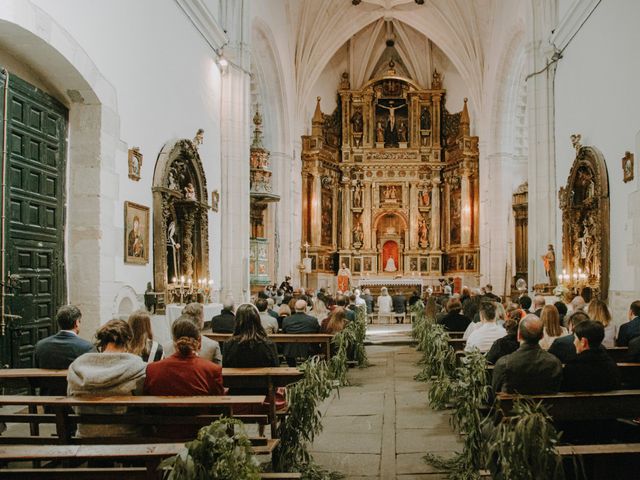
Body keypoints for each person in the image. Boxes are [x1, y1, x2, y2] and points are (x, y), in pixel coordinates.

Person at [144, 318, 224, 438]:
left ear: (174, 342)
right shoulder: (212, 370)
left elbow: (147, 405)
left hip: (164, 433)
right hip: (200, 435)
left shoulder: (152, 369)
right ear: (199, 341)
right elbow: (218, 406)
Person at [67, 319, 146, 438]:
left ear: (102, 341)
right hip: (126, 435)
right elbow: (142, 404)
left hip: (86, 435)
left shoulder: (78, 366)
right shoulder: (137, 366)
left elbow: (72, 401)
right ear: (127, 341)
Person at [492, 315, 563, 395]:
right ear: (542, 336)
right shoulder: (554, 364)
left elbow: (495, 394)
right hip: (547, 407)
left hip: (512, 407)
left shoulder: (504, 364)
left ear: (519, 336)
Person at [34, 305, 95, 395]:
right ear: (77, 323)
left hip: (49, 400)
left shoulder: (40, 345)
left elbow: (36, 377)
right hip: (76, 400)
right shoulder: (87, 347)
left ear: (59, 323)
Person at [561, 320, 621, 392]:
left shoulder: (572, 367)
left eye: (575, 338)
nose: (574, 342)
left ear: (583, 342)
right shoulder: (611, 364)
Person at [282, 300, 321, 367]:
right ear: (305, 308)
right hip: (309, 349)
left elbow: (284, 332)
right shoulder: (313, 320)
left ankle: (292, 368)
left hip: (291, 349)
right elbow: (317, 332)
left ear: (295, 308)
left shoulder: (286, 320)